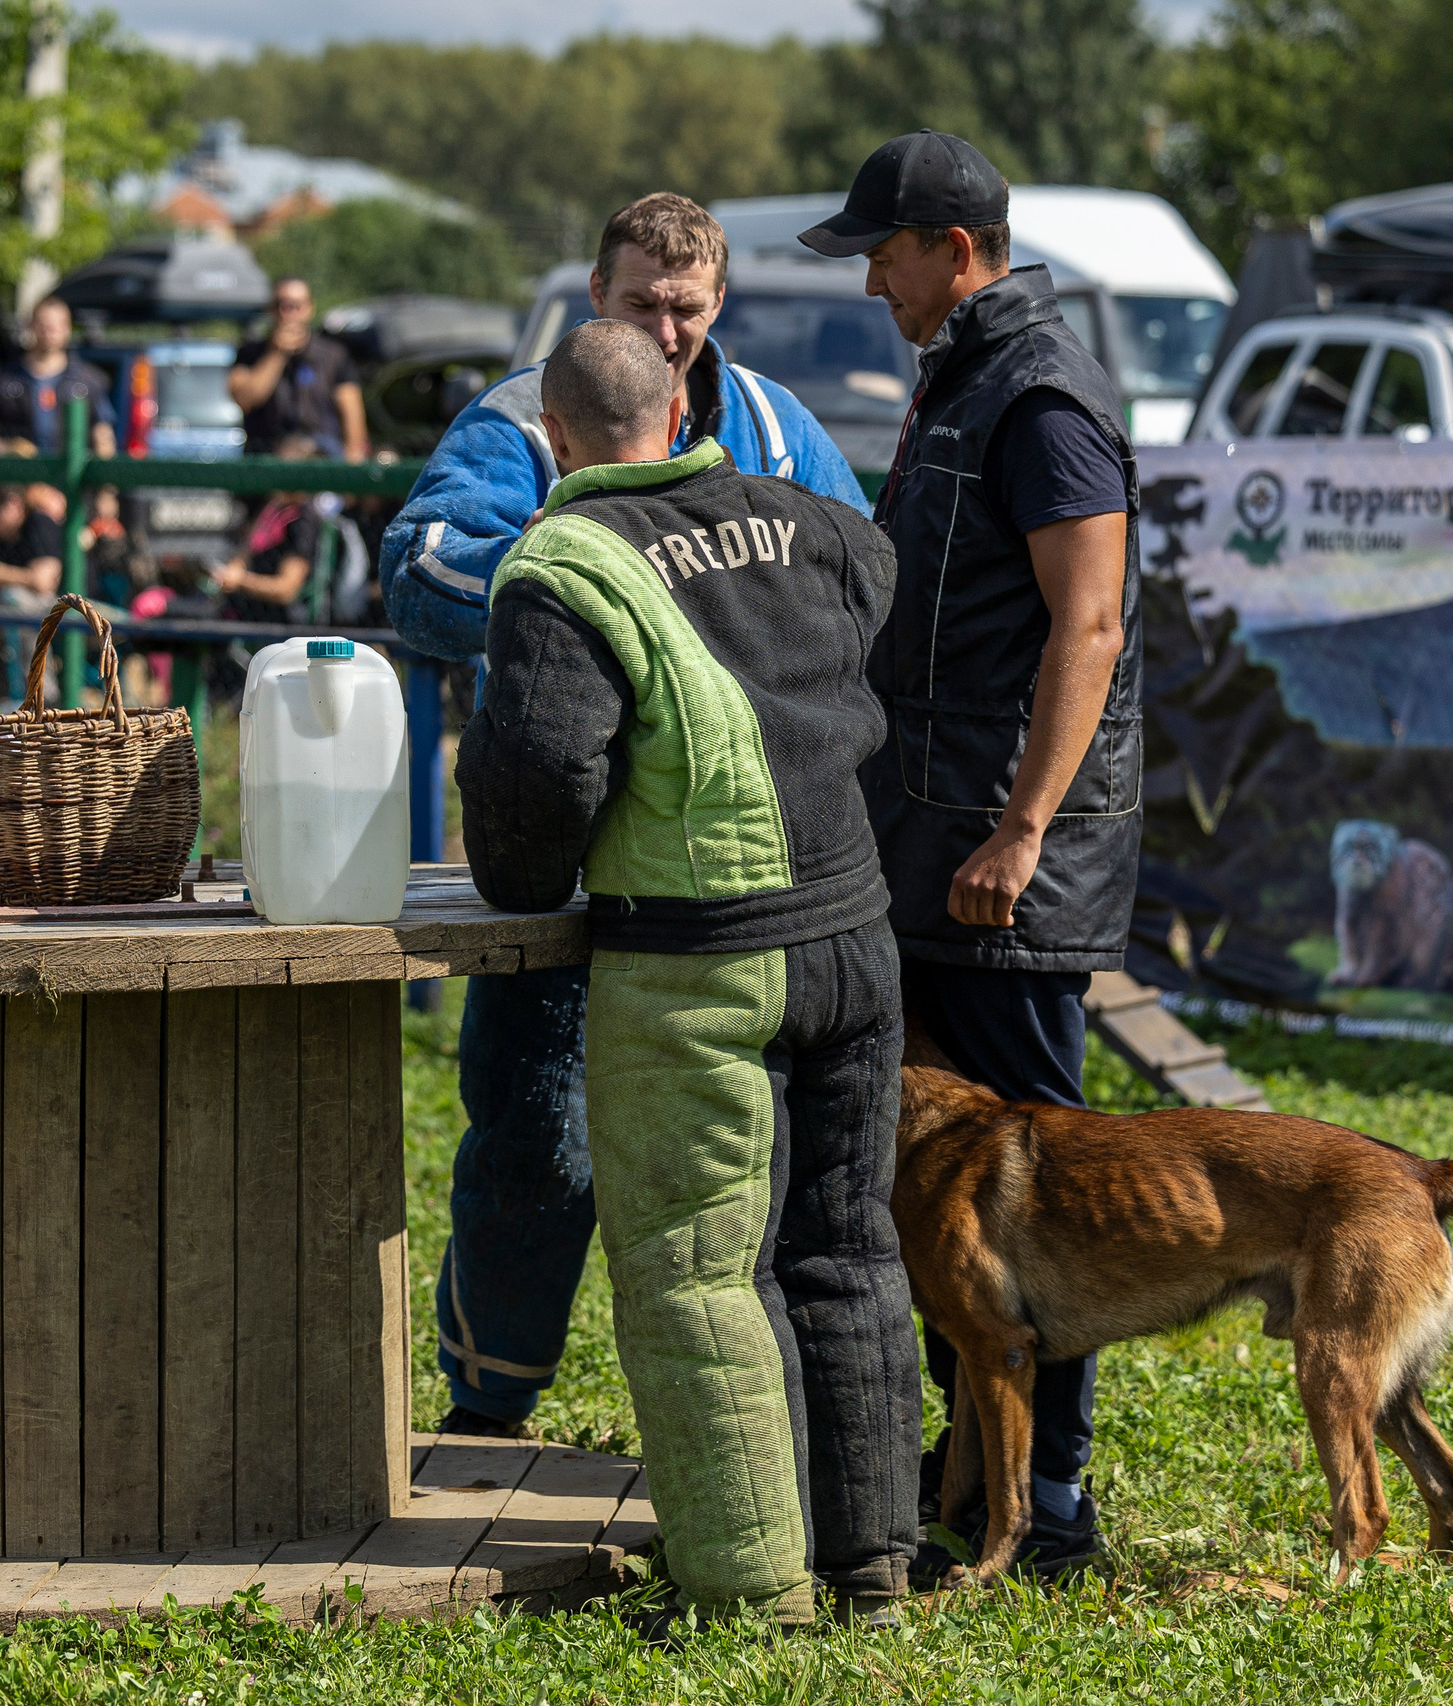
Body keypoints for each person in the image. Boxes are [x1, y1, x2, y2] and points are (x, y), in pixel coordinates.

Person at [378, 192, 869, 1444]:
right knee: (539, 1143)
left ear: (718, 307)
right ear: (597, 295)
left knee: (745, 1161)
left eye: (687, 306)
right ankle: (488, 1404)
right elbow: (422, 571)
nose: (665, 324)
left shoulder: (776, 424)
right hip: (563, 836)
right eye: (642, 300)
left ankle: (751, 1427)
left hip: (732, 867)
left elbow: (860, 570)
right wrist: (592, 593)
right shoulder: (519, 419)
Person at [457, 318, 913, 1629]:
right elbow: (883, 626)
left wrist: (523, 876)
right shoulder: (803, 518)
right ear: (682, 410)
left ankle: (751, 1592)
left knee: (700, 1269)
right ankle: (873, 1569)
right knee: (845, 1252)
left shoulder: (563, 560)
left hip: (701, 960)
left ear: (551, 436)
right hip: (855, 940)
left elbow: (543, 783)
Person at [799, 129, 1143, 1585]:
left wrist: (1021, 831)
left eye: (882, 250)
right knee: (943, 1212)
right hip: (935, 850)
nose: (870, 276)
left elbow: (1089, 627)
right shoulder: (964, 378)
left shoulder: (1044, 398)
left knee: (1037, 1212)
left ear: (955, 246)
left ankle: (1050, 1508)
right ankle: (968, 1486)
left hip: (1009, 872)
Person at [228, 278, 367, 460]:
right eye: (281, 305)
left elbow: (352, 411)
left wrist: (353, 462)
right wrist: (276, 355)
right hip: (265, 456)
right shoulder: (250, 353)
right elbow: (245, 399)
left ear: (309, 308)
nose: (288, 312)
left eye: (296, 305)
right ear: (271, 309)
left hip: (321, 454)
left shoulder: (333, 354)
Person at [210, 439, 320, 625]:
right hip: (239, 606)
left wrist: (241, 581)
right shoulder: (273, 506)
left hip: (275, 620)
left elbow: (286, 590)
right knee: (157, 603)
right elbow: (246, 550)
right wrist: (231, 571)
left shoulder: (303, 521)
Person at [0, 296, 115, 459]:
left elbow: (103, 433)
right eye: (43, 325)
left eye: (56, 326)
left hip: (71, 478)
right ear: (31, 326)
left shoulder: (88, 380)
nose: (49, 332)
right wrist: (11, 449)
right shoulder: (6, 381)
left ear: (67, 328)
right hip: (21, 478)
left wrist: (105, 477)